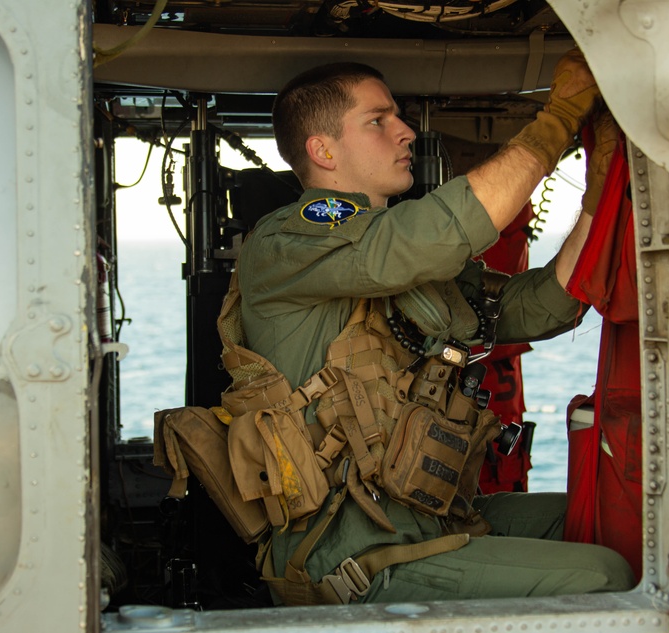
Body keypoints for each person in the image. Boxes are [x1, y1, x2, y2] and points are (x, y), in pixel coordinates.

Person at [232, 54, 632, 605]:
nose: (404, 131)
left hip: (433, 518)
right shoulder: (287, 242)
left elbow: (540, 307)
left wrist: (596, 199)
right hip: (354, 557)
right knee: (603, 574)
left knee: (616, 512)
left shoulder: (402, 257)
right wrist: (558, 116)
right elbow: (434, 233)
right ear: (323, 151)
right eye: (378, 120)